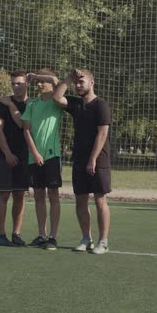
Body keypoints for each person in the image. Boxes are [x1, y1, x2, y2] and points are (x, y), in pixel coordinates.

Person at [0, 69, 64, 251]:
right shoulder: (33, 104)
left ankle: (53, 237)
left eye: (42, 82)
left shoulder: (55, 101)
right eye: (37, 83)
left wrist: (35, 76)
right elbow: (25, 128)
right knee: (38, 196)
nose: (40, 84)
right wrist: (35, 153)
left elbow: (55, 79)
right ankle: (42, 235)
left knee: (53, 195)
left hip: (52, 155)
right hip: (33, 157)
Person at [52, 69, 111, 254]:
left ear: (91, 83)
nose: (78, 85)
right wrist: (69, 78)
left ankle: (103, 241)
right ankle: (86, 238)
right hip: (79, 159)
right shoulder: (76, 104)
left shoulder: (101, 105)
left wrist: (92, 159)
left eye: (81, 82)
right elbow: (56, 97)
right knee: (80, 202)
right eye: (76, 83)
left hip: (98, 160)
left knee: (100, 201)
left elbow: (102, 134)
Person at [0, 70, 31, 246]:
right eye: (13, 83)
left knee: (20, 195)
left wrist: (11, 105)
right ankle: (0, 234)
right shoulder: (1, 104)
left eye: (19, 83)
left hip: (24, 156)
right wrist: (7, 154)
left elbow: (23, 125)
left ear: (27, 84)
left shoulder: (33, 104)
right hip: (4, 156)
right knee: (3, 195)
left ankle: (16, 233)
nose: (16, 87)